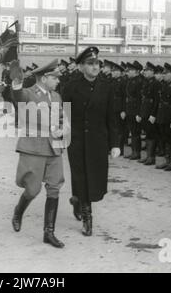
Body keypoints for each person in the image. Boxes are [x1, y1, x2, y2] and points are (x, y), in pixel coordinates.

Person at [10, 58, 68, 248]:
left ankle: (48, 233)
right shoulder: (29, 93)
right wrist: (17, 82)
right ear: (44, 78)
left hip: (54, 147)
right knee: (33, 189)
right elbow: (18, 96)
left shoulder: (57, 96)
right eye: (55, 78)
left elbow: (60, 118)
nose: (58, 81)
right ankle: (19, 210)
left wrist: (62, 129)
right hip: (34, 148)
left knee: (54, 187)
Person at [62, 47, 120, 236]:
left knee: (95, 178)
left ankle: (79, 200)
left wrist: (115, 143)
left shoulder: (106, 87)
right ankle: (87, 216)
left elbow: (111, 117)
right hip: (76, 141)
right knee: (80, 176)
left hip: (97, 141)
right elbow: (63, 115)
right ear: (81, 67)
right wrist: (60, 140)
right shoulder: (71, 86)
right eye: (90, 63)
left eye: (97, 63)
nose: (95, 67)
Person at [138, 62, 161, 166]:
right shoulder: (146, 82)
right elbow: (142, 99)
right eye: (145, 70)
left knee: (151, 134)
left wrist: (153, 114)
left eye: (147, 70)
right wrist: (140, 113)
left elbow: (157, 100)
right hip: (144, 110)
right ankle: (148, 156)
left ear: (152, 71)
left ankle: (151, 157)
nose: (145, 72)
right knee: (147, 134)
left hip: (150, 112)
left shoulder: (156, 83)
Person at [124, 61, 143, 160]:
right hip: (130, 108)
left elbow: (140, 98)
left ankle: (137, 152)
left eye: (131, 70)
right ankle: (134, 151)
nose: (128, 72)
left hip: (135, 109)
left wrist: (138, 113)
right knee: (132, 131)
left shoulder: (139, 81)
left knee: (136, 132)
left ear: (136, 72)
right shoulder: (130, 80)